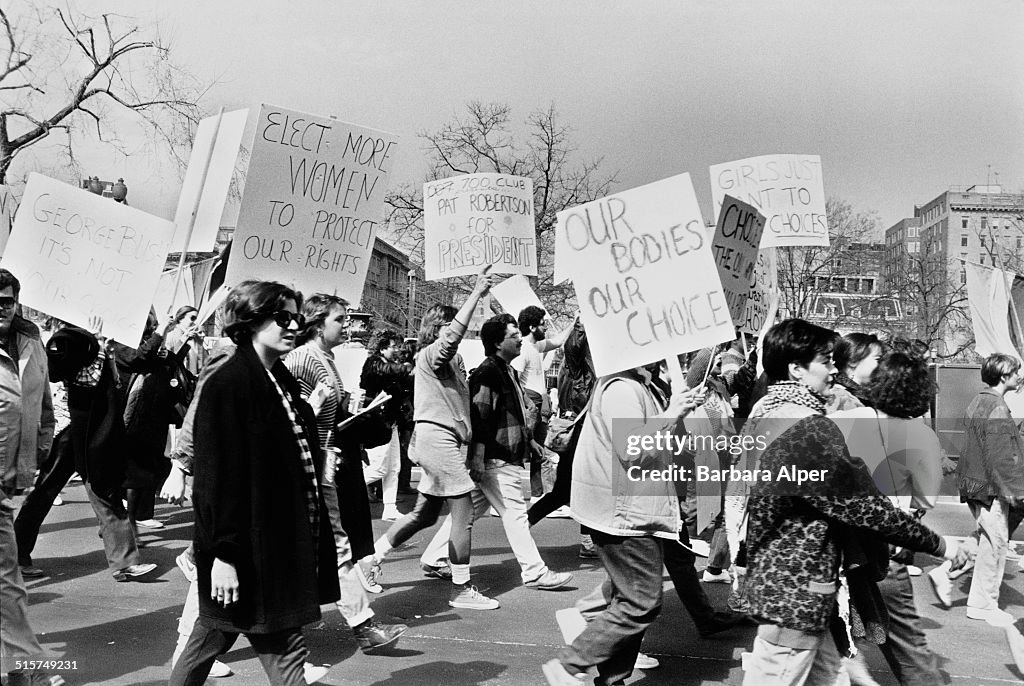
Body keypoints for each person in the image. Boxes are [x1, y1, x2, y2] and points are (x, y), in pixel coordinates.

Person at [727, 318, 968, 686]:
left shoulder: (768, 411)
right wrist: (941, 544)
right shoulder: (807, 427)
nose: (834, 369)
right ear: (796, 369)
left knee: (832, 677)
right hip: (797, 590)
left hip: (792, 585)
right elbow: (865, 507)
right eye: (825, 361)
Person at [169, 281, 339, 686]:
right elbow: (217, 481)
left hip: (274, 549)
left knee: (209, 648)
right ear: (251, 320)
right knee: (272, 655)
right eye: (283, 317)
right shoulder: (230, 381)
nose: (294, 325)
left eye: (297, 317)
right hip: (247, 553)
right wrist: (223, 557)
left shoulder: (277, 379)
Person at [542, 361, 702, 686]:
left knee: (628, 601)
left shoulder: (632, 383)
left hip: (630, 510)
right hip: (626, 514)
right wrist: (673, 412)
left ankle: (610, 679)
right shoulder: (622, 388)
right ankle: (571, 663)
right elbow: (631, 451)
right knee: (640, 602)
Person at [369, 265, 499, 611]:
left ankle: (371, 559)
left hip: (440, 442)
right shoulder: (432, 356)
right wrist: (476, 294)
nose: (458, 332)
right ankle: (461, 587)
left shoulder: (448, 363)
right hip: (438, 441)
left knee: (426, 515)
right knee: (463, 511)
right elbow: (451, 339)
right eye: (451, 326)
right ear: (439, 330)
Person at [416, 314, 573, 592]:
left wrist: (529, 441)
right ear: (499, 343)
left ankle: (433, 556)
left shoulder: (506, 370)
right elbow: (481, 417)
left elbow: (511, 414)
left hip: (498, 456)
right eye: (514, 336)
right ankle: (535, 571)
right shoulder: (489, 372)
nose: (520, 340)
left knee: (471, 512)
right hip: (496, 458)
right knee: (515, 515)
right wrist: (477, 457)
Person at [285, 295, 407, 652]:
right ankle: (361, 626)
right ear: (318, 323)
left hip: (326, 462)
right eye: (340, 319)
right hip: (309, 465)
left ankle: (357, 624)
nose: (347, 326)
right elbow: (290, 412)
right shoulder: (301, 359)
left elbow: (326, 415)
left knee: (330, 545)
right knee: (332, 545)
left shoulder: (326, 358)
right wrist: (318, 409)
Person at [831, 350, 946, 686]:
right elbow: (927, 498)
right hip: (884, 554)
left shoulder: (841, 419)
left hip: (835, 552)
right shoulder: (919, 435)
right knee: (909, 649)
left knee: (832, 641)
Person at [39, 315, 162, 582]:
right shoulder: (72, 342)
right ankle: (125, 563)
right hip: (84, 440)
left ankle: (125, 563)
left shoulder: (86, 344)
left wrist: (103, 350)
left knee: (105, 502)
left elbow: (110, 383)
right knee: (102, 502)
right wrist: (97, 346)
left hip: (92, 440)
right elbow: (87, 381)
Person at [0, 269, 64, 686]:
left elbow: (42, 408)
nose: (0, 309)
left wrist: (37, 453)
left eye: (6, 300)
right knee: (7, 579)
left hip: (10, 478)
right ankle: (29, 669)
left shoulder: (30, 342)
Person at [957, 352, 1024, 626]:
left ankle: (977, 599)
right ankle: (984, 604)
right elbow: (999, 456)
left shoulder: (979, 401)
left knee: (989, 540)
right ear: (1004, 375)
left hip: (975, 483)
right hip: (990, 487)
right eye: (1016, 371)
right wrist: (1014, 490)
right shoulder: (997, 407)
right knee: (995, 544)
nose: (1019, 376)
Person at [511, 306, 574, 499]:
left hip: (539, 404)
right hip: (531, 404)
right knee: (520, 452)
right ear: (531, 327)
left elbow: (557, 341)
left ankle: (540, 494)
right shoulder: (522, 349)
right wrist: (529, 403)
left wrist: (575, 320)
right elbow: (515, 379)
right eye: (542, 324)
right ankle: (509, 498)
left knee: (541, 452)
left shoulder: (535, 347)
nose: (545, 328)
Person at [360, 328, 412, 521]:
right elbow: (387, 371)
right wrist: (405, 368)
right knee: (380, 468)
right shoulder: (374, 363)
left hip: (390, 421)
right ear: (382, 348)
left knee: (393, 467)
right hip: (377, 423)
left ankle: (389, 508)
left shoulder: (389, 364)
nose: (397, 349)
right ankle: (346, 489)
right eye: (393, 346)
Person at [825, 332, 882, 413]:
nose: (883, 365)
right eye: (878, 359)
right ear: (853, 361)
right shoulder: (841, 399)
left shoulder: (862, 395)